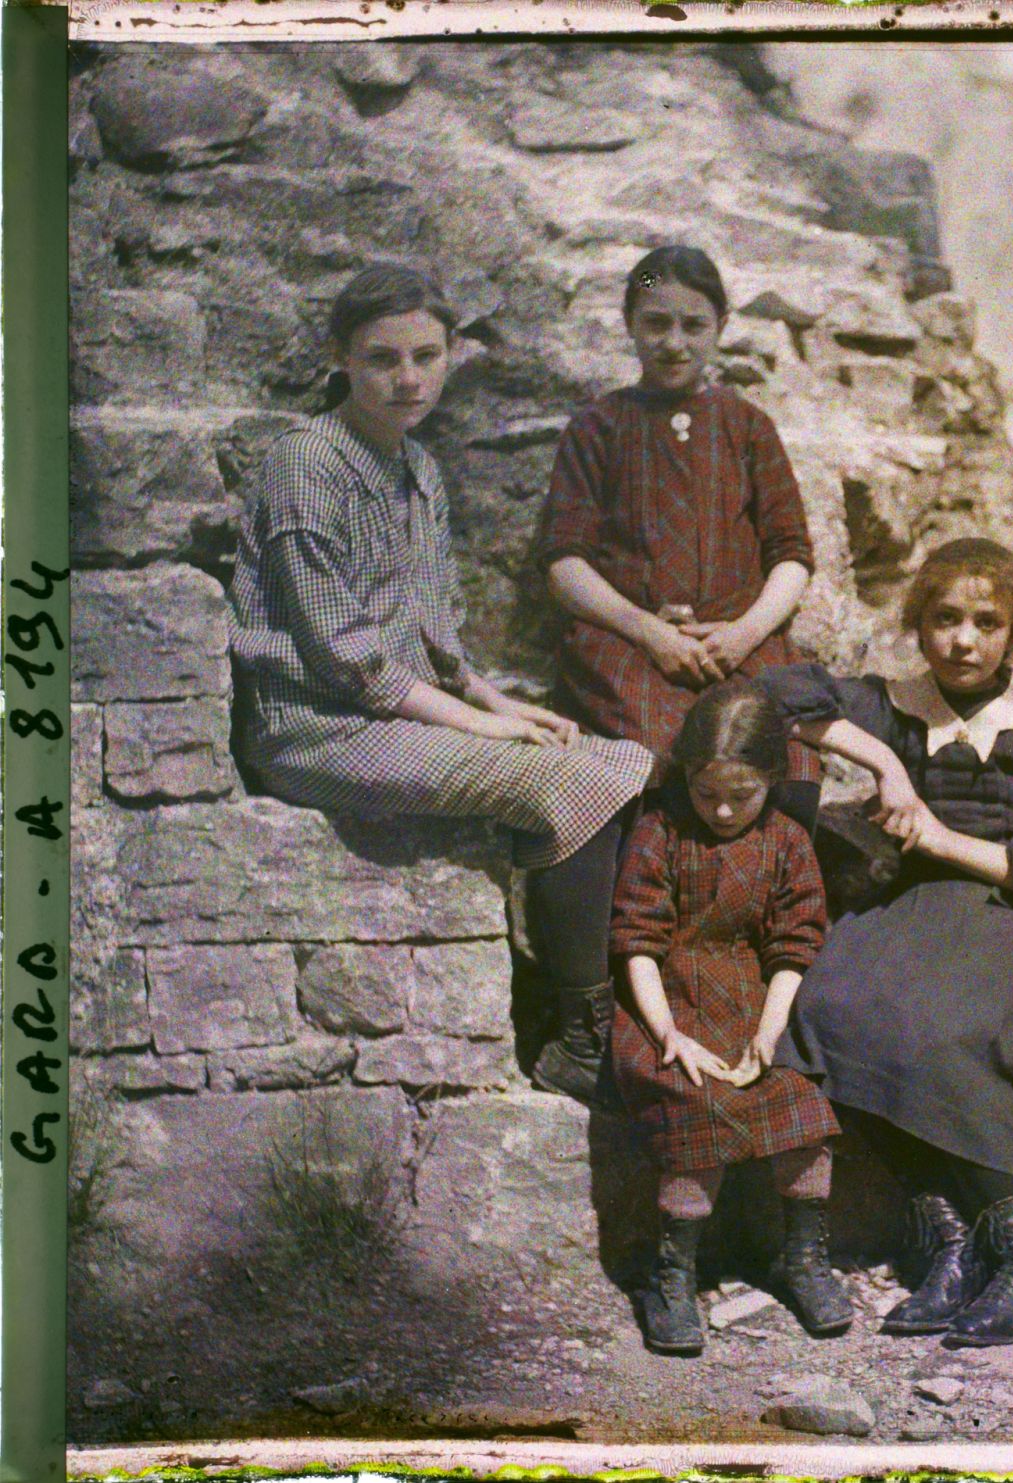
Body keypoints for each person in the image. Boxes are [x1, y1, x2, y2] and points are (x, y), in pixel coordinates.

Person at [229, 264, 654, 1088]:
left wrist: (503, 703)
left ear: (453, 355)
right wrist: (481, 727)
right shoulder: (306, 466)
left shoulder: (417, 468)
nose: (408, 378)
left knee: (616, 762)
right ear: (342, 358)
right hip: (318, 729)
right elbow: (344, 655)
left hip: (399, 714)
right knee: (560, 786)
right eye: (382, 357)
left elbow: (437, 632)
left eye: (427, 355)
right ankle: (582, 1043)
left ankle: (587, 1005)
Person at [757, 538, 1013, 1347]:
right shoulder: (895, 702)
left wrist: (943, 840)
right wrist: (885, 763)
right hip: (911, 908)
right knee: (821, 1005)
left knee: (942, 1030)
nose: (964, 640)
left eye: (987, 622)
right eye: (945, 618)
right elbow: (774, 691)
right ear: (919, 624)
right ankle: (949, 1236)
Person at [533, 242, 821, 1099]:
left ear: (720, 328)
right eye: (655, 322)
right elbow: (564, 562)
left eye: (693, 323)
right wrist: (647, 631)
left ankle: (781, 987)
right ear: (628, 324)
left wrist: (745, 631)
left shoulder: (746, 425)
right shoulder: (597, 428)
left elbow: (792, 554)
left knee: (786, 761)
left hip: (740, 641)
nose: (673, 340)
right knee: (637, 766)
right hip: (630, 648)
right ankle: (609, 1006)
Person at [608, 683, 850, 1355]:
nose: (719, 809)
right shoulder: (661, 831)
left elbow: (794, 945)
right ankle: (672, 1273)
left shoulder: (788, 842)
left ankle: (802, 1257)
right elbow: (637, 943)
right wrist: (670, 1035)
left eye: (740, 796)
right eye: (705, 791)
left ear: (771, 779)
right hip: (669, 997)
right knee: (697, 1097)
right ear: (685, 773)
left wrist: (769, 1034)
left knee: (798, 1096)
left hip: (751, 992)